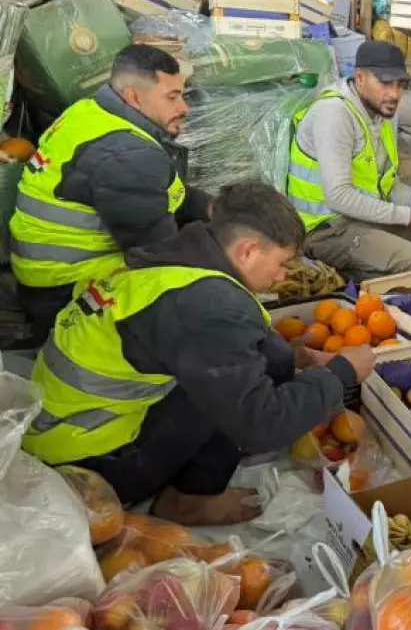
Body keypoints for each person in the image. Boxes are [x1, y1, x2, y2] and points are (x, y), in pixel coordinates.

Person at [23, 183, 376, 526]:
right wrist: (340, 373)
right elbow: (260, 423)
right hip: (89, 463)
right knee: (240, 394)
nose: (283, 276)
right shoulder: (208, 306)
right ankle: (188, 501)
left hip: (63, 427)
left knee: (272, 355)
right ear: (248, 250)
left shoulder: (177, 258)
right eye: (281, 262)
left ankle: (187, 478)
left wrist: (296, 358)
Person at [9, 44, 212, 346]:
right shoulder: (127, 151)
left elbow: (158, 192)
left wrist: (215, 209)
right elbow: (156, 254)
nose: (184, 108)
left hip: (38, 271)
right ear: (133, 96)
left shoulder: (89, 111)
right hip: (65, 286)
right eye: (172, 97)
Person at [289, 40, 411, 281]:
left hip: (360, 216)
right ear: (360, 77)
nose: (394, 94)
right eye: (385, 83)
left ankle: (380, 269)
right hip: (327, 229)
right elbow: (339, 197)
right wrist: (409, 216)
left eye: (400, 85)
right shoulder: (334, 114)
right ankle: (344, 276)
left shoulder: (379, 114)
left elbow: (383, 185)